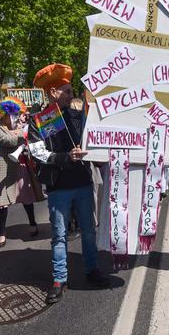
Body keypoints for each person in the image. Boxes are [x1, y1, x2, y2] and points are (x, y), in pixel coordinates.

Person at [28, 63, 109, 304]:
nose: (71, 93)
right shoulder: (39, 121)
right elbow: (37, 153)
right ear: (53, 93)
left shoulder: (77, 115)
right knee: (59, 234)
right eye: (66, 90)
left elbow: (95, 140)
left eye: (71, 89)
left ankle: (91, 269)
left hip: (83, 182)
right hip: (58, 187)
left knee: (88, 230)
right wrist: (65, 158)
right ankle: (59, 279)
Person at [0, 97, 41, 247]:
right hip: (3, 169)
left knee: (26, 196)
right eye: (12, 115)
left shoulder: (17, 127)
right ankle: (1, 233)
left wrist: (23, 132)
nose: (16, 117)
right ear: (3, 115)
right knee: (1, 202)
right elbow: (8, 141)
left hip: (20, 166)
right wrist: (24, 133)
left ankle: (32, 222)